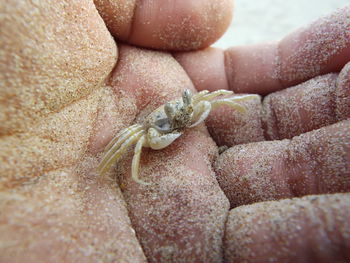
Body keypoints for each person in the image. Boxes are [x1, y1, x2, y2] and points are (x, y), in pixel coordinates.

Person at [0, 1, 349, 262]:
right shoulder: (139, 131)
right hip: (155, 128)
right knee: (132, 142)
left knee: (210, 97)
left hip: (172, 119)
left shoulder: (188, 105)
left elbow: (215, 97)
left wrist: (228, 105)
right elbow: (135, 142)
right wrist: (117, 171)